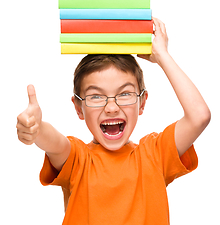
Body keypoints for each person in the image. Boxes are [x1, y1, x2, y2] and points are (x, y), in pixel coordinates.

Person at [16, 18, 211, 225]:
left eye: (124, 94)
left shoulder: (155, 155)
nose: (111, 107)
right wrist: (37, 129)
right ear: (78, 108)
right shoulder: (78, 159)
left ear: (142, 103)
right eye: (96, 96)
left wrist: (162, 56)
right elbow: (55, 143)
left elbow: (199, 116)